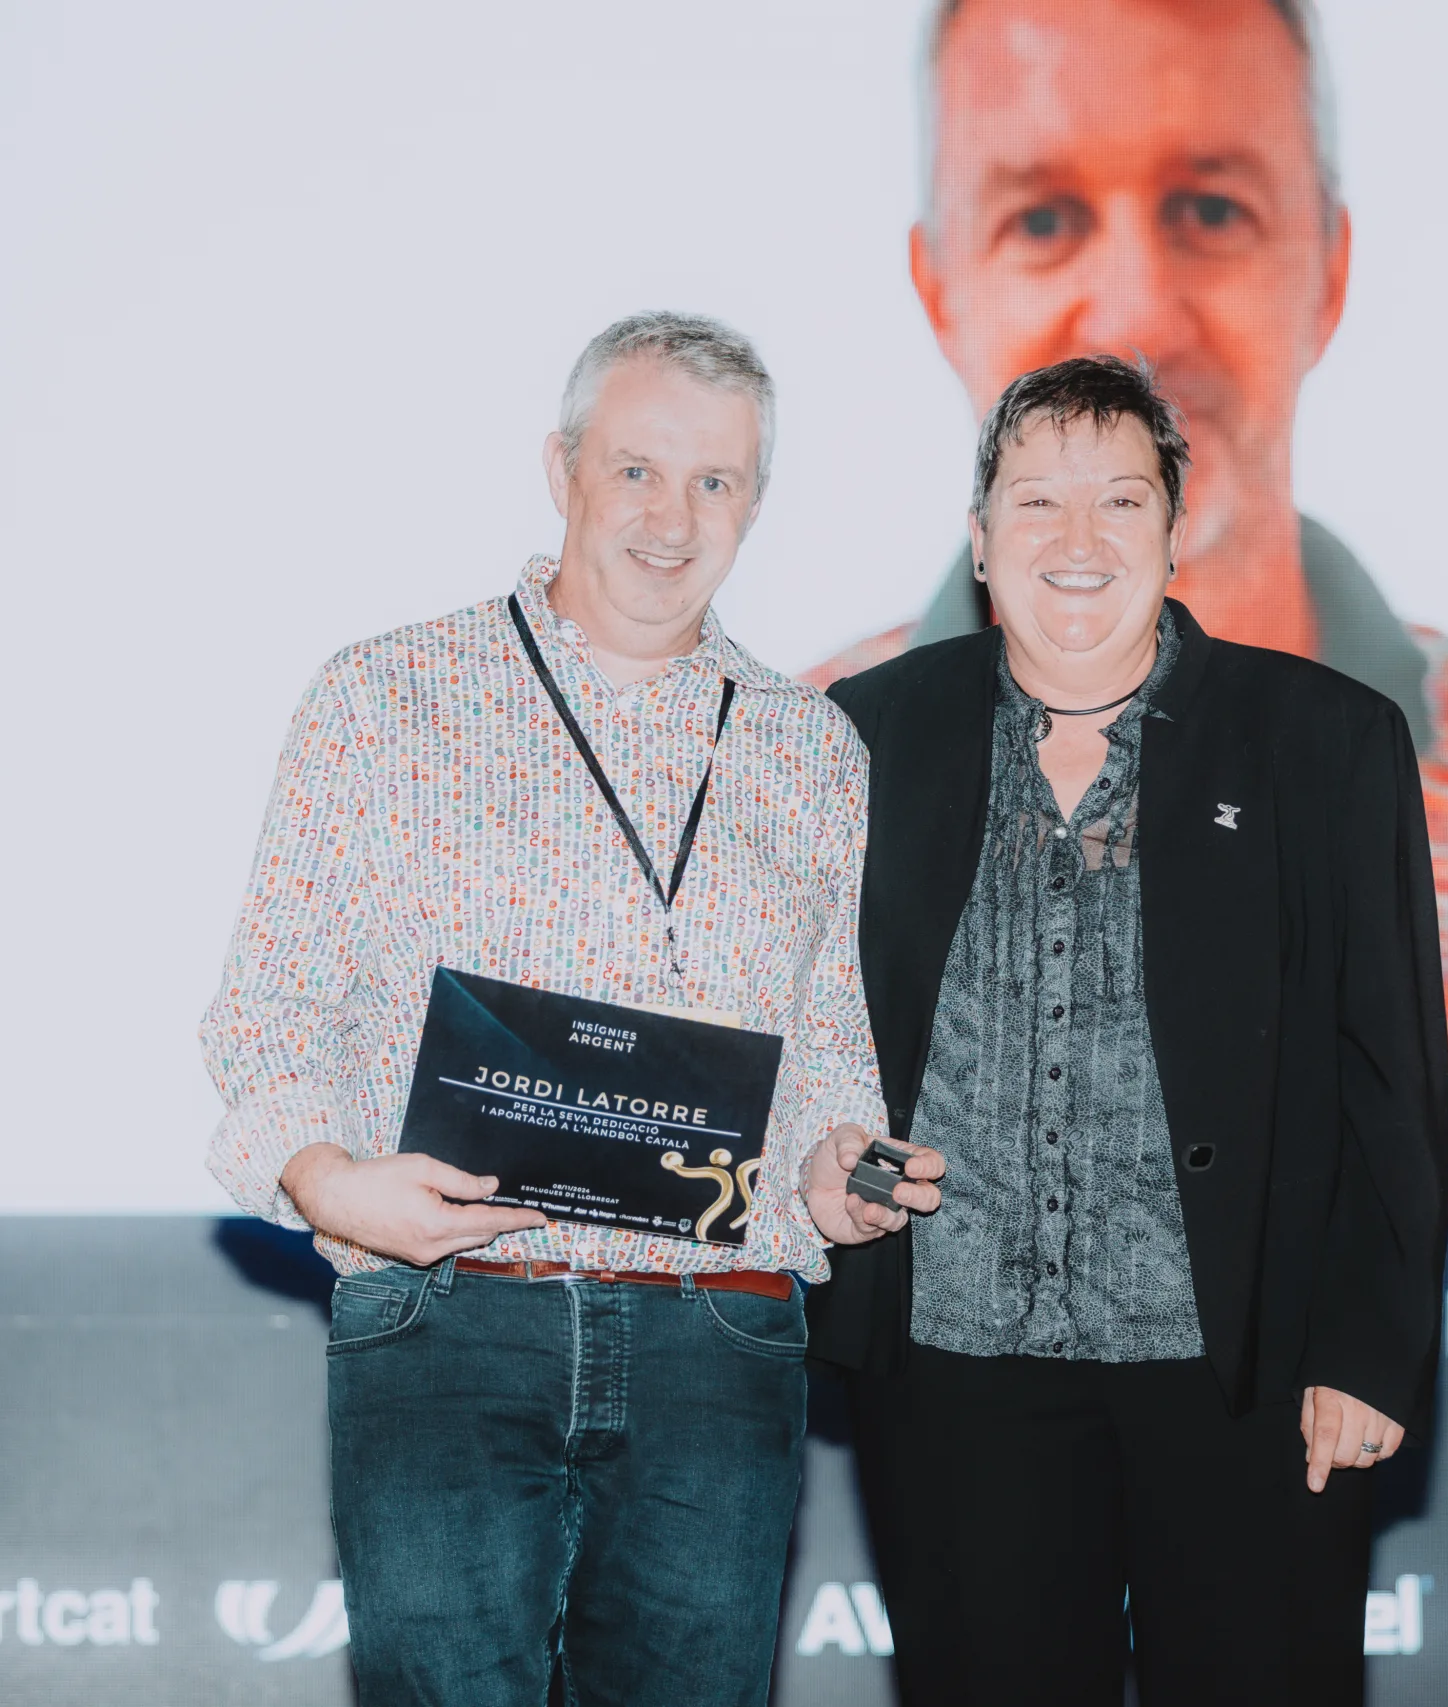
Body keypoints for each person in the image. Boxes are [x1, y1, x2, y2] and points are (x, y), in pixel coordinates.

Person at [811, 0, 1448, 1218]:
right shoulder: (756, 790)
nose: (1134, 318)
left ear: (1327, 267)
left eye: (1210, 210)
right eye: (1043, 220)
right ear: (940, 290)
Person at [199, 311, 945, 1706]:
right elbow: (267, 1011)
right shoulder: (385, 696)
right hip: (447, 1314)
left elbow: (832, 1053)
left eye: (715, 481)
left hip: (717, 1336)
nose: (673, 519)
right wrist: (333, 1184)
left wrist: (833, 1168)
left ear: (756, 504)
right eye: (637, 470)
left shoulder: (812, 748)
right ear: (563, 469)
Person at [815, 355, 1448, 1704]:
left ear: (1173, 533)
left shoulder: (1325, 741)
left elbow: (1389, 1075)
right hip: (952, 1367)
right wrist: (832, 1161)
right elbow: (809, 1032)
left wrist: (1364, 1349)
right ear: (980, 538)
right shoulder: (859, 737)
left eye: (1119, 499)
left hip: (1244, 1370)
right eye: (1037, 500)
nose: (1079, 538)